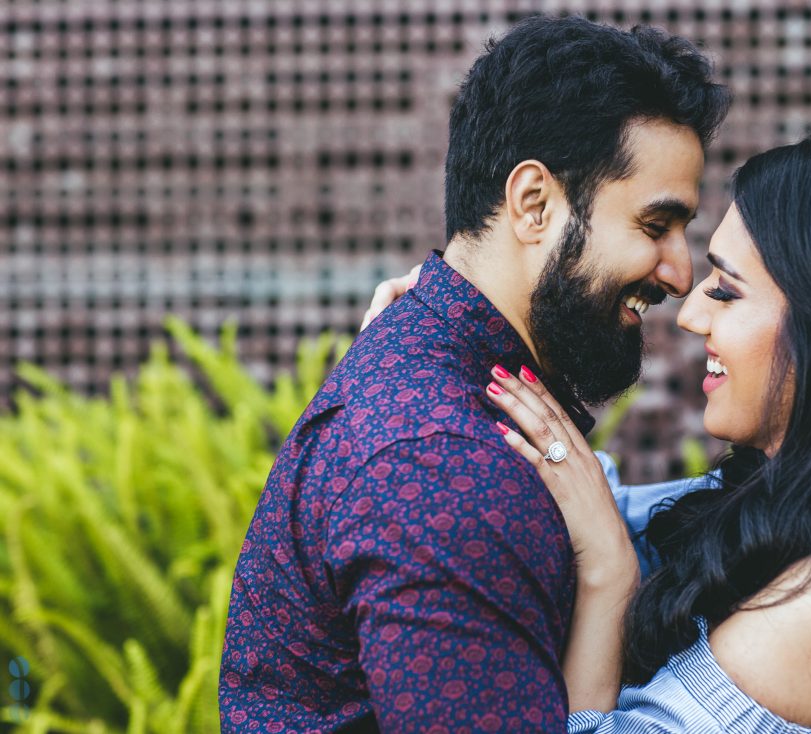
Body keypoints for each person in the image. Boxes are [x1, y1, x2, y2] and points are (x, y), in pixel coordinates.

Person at [369, 135, 811, 732]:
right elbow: (564, 499)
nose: (690, 313)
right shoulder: (781, 507)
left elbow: (596, 529)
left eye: (727, 289)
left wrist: (607, 571)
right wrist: (434, 360)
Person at [218, 14, 730, 733]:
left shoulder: (437, 392)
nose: (681, 272)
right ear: (533, 204)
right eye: (655, 226)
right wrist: (609, 577)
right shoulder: (441, 467)